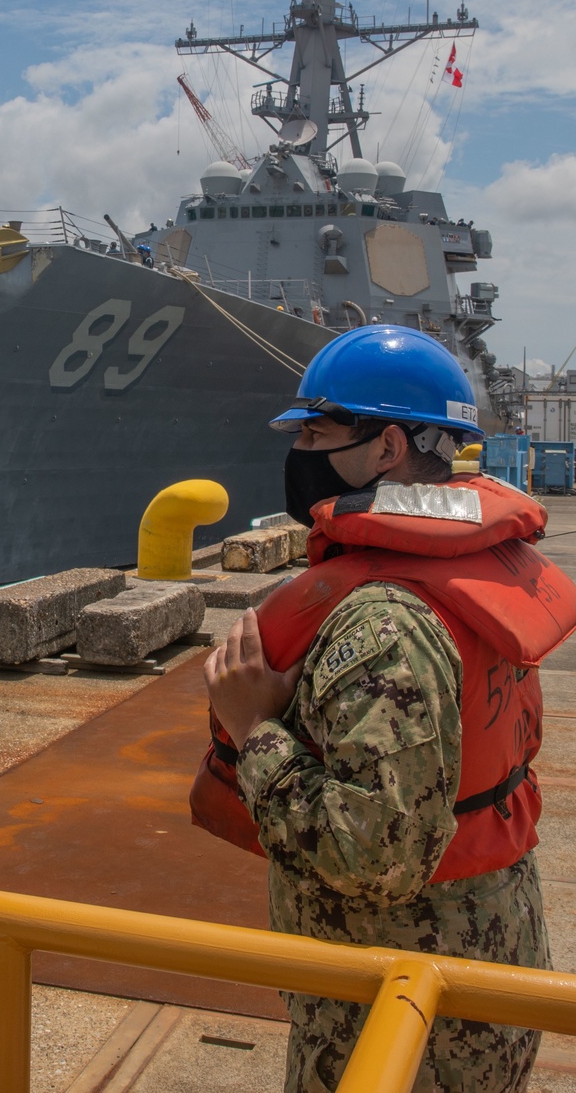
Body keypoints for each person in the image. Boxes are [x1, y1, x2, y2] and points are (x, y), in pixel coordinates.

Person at [200, 325, 576, 1093]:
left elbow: (374, 855)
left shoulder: (384, 620)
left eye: (319, 429)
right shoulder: (463, 563)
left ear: (388, 448)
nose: (301, 448)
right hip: (475, 951)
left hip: (405, 997)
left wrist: (255, 730)